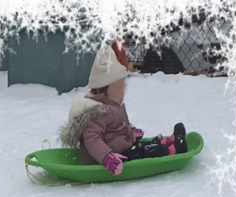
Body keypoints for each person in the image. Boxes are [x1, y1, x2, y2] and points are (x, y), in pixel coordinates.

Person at [59, 45, 188, 175]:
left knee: (140, 146)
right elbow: (92, 140)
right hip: (108, 157)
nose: (122, 92)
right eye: (118, 88)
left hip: (122, 147)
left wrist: (128, 132)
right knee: (142, 153)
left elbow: (114, 128)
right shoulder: (97, 112)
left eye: (123, 87)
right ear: (102, 89)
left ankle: (166, 141)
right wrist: (107, 158)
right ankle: (171, 150)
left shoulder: (112, 104)